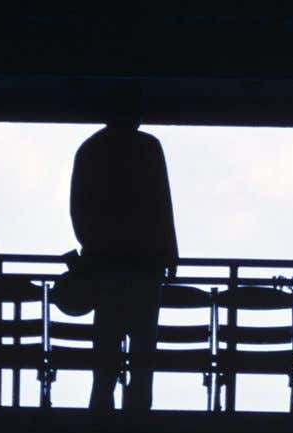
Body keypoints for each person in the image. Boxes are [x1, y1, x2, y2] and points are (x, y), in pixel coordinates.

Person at [69, 87, 178, 412]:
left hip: (105, 264)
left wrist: (93, 247)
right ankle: (139, 413)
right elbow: (162, 204)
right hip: (145, 263)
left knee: (106, 345)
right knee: (143, 347)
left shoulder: (90, 150)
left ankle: (101, 409)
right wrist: (169, 251)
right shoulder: (148, 148)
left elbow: (79, 210)